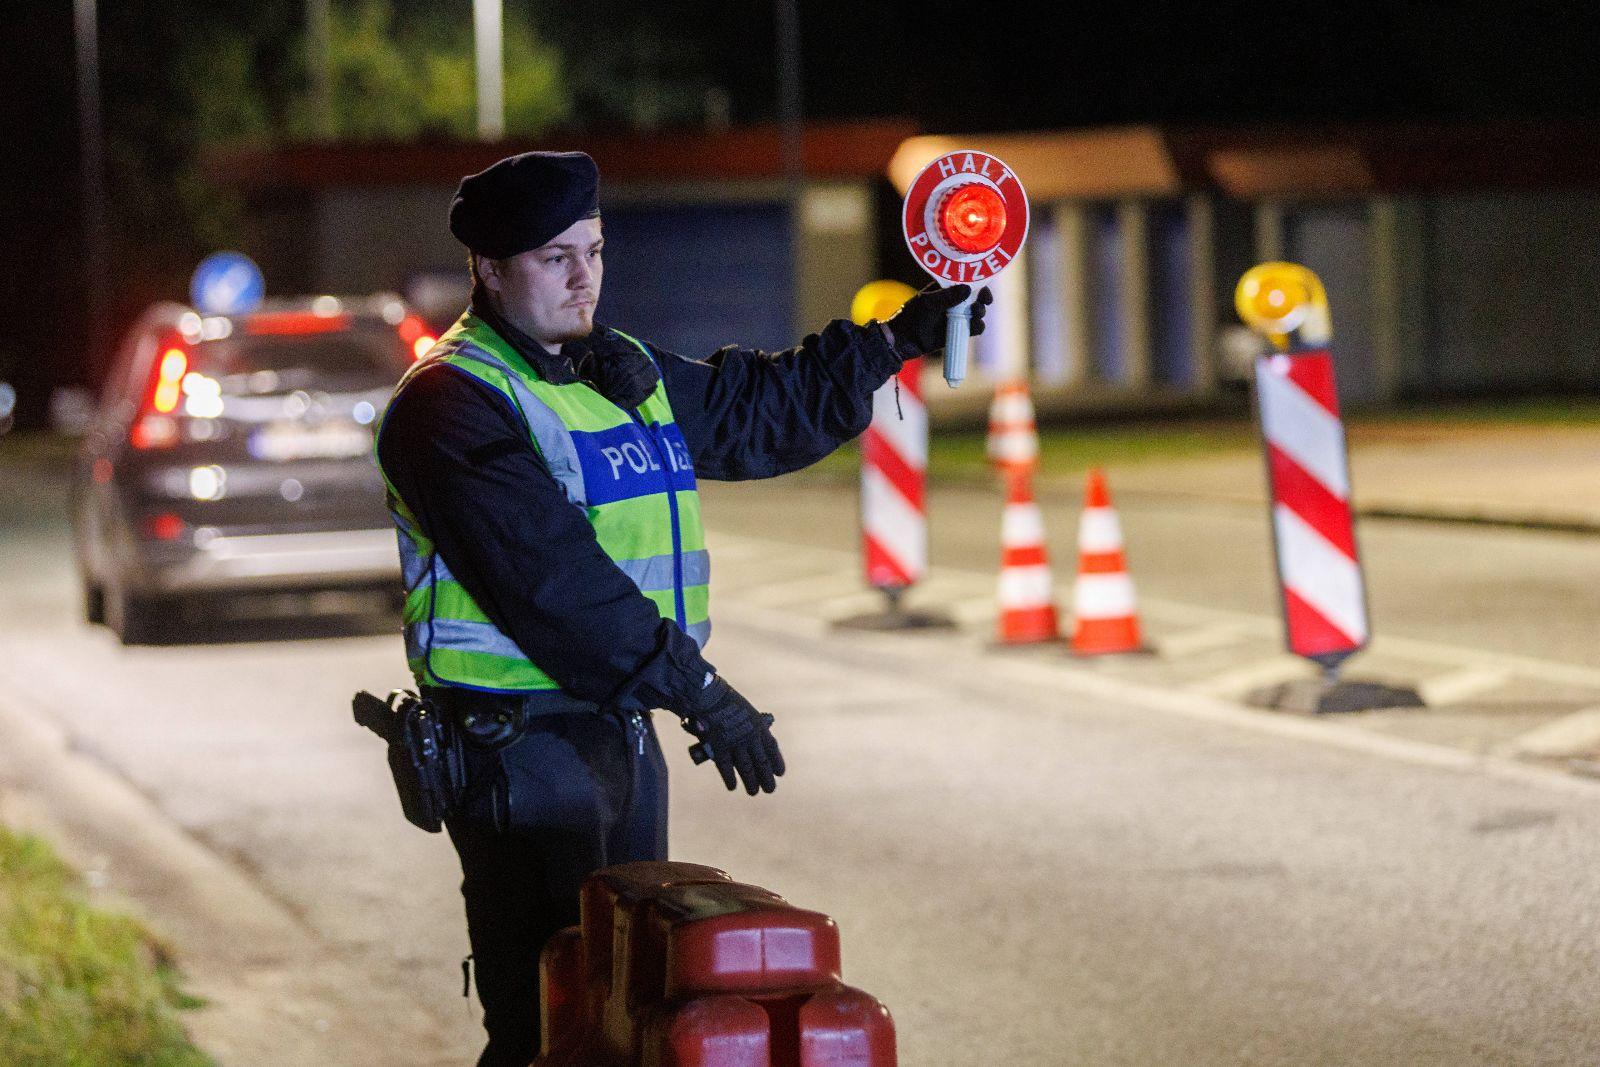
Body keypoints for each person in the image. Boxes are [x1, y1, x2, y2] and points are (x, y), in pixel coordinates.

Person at [374, 150, 989, 1066]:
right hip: (519, 755)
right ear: (489, 270)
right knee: (546, 1024)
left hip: (617, 734)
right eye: (555, 258)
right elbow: (557, 586)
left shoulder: (610, 368)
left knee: (631, 1018)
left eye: (595, 249)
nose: (585, 277)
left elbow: (754, 413)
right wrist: (701, 691)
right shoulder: (448, 405)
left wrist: (894, 339)